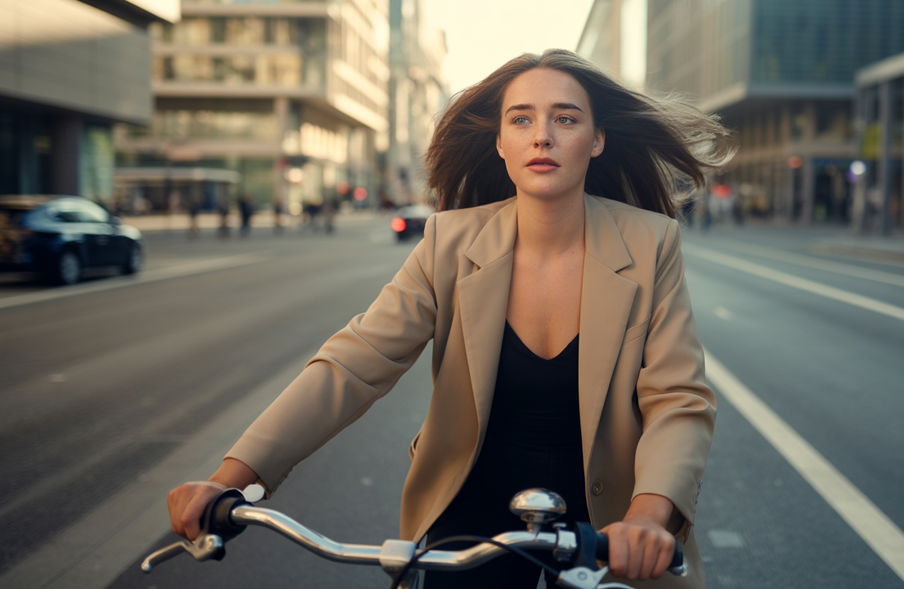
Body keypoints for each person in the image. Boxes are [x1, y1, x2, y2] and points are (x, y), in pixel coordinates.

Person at [167, 49, 730, 588]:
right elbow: (354, 363)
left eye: (566, 118)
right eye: (521, 119)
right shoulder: (449, 243)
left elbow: (678, 399)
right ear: (501, 143)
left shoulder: (650, 242)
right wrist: (229, 479)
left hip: (613, 523)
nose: (543, 135)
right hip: (471, 511)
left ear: (597, 139)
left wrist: (649, 517)